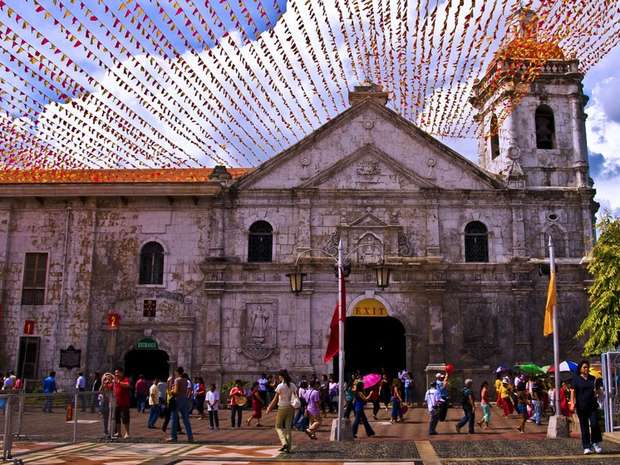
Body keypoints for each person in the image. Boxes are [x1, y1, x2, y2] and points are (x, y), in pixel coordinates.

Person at [571, 360, 603, 455]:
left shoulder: (593, 378)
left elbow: (597, 392)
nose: (586, 369)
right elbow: (573, 392)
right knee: (584, 427)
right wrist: (572, 403)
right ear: (580, 368)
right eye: (584, 367)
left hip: (592, 406)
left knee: (594, 424)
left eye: (587, 367)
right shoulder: (576, 379)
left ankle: (595, 443)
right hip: (581, 407)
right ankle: (586, 446)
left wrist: (597, 391)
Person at [266, 369, 297, 453]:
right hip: (290, 408)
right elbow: (296, 397)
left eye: (279, 376)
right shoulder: (292, 385)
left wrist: (269, 408)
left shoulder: (280, 386)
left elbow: (275, 399)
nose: (278, 377)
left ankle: (284, 443)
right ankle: (288, 447)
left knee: (278, 426)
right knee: (288, 428)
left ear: (281, 376)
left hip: (282, 407)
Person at [168, 366, 194, 442]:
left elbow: (176, 392)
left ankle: (173, 436)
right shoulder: (186, 380)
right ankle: (190, 437)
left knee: (174, 418)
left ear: (177, 372)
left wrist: (170, 389)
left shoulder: (177, 380)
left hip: (177, 400)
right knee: (186, 419)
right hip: (184, 399)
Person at [113, 367, 131, 438]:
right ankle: (119, 432)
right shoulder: (115, 381)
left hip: (124, 403)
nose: (116, 374)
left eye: (117, 373)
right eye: (115, 373)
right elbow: (109, 387)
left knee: (125, 418)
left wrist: (119, 382)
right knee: (117, 418)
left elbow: (127, 385)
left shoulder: (125, 379)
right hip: (116, 403)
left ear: (121, 373)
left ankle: (127, 433)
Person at [99, 373, 114, 437]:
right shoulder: (103, 385)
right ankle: (105, 430)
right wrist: (103, 383)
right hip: (104, 403)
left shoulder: (112, 385)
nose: (107, 380)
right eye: (105, 379)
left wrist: (110, 379)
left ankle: (111, 431)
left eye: (108, 379)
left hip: (111, 402)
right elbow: (100, 391)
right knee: (105, 417)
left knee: (112, 417)